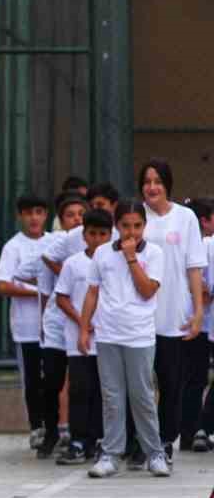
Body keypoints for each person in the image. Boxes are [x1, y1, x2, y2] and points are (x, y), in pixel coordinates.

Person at [80, 199, 170, 478]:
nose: (132, 232)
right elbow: (92, 293)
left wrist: (132, 258)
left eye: (138, 226)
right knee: (112, 396)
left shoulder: (154, 253)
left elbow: (147, 291)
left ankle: (154, 453)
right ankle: (110, 454)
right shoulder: (102, 254)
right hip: (108, 334)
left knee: (142, 395)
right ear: (116, 225)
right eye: (125, 226)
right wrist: (84, 328)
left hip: (139, 336)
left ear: (145, 225)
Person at [139, 160, 206, 463]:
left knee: (170, 382)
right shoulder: (135, 216)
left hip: (173, 313)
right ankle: (137, 444)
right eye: (147, 181)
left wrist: (198, 310)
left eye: (158, 181)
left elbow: (194, 267)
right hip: (138, 314)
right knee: (138, 385)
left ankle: (166, 441)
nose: (152, 187)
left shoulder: (186, 217)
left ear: (168, 184)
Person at [53, 209, 112, 465]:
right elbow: (62, 297)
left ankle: (99, 441)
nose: (97, 238)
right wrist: (83, 324)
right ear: (84, 235)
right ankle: (78, 441)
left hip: (108, 339)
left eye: (103, 234)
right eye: (92, 233)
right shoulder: (73, 263)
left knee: (103, 391)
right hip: (79, 341)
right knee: (79, 389)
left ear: (110, 235)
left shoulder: (116, 262)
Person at [0, 195, 50, 451]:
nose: (34, 217)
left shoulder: (55, 243)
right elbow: (3, 284)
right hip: (26, 328)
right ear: (20, 216)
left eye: (39, 211)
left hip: (54, 329)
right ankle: (36, 427)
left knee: (53, 379)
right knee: (32, 381)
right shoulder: (13, 247)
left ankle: (55, 427)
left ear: (46, 215)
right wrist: (37, 291)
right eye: (29, 213)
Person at [36, 194, 87, 456]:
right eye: (71, 214)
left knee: (80, 383)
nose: (77, 218)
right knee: (52, 381)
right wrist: (43, 321)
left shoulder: (95, 240)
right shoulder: (59, 244)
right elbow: (45, 289)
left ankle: (82, 435)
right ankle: (51, 432)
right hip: (57, 320)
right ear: (61, 219)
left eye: (81, 213)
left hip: (84, 322)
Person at [191, 198, 214, 452]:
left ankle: (201, 428)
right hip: (201, 321)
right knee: (195, 377)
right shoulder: (208, 244)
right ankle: (200, 428)